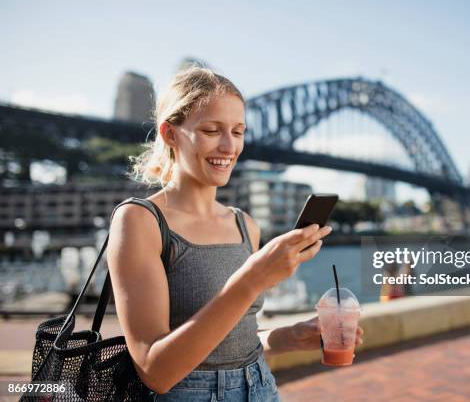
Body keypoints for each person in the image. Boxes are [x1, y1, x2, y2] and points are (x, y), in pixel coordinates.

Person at [107, 66, 363, 401]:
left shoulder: (244, 224)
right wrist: (252, 280)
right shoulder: (140, 221)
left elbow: (230, 333)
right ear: (170, 134)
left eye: (238, 131)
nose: (229, 146)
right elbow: (156, 371)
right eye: (212, 130)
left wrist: (287, 337)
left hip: (260, 388)